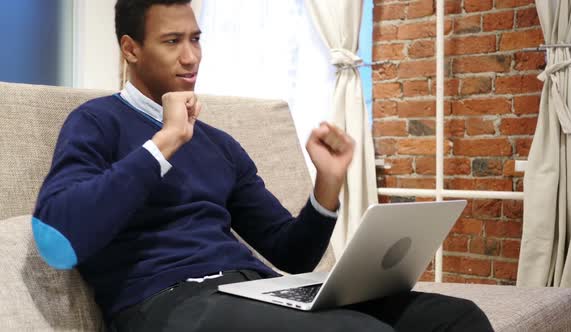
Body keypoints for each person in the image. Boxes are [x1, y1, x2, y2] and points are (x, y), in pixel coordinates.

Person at [32, 0, 493, 331]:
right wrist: (164, 142)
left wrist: (327, 185)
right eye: (172, 41)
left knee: (456, 319)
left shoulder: (219, 145)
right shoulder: (96, 122)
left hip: (253, 290)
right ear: (131, 49)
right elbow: (59, 240)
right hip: (166, 303)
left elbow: (291, 255)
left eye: (195, 39)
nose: (191, 57)